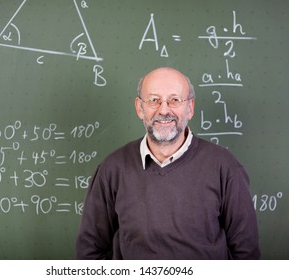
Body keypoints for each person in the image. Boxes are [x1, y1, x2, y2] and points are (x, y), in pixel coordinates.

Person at [76, 67, 260, 259]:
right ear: (140, 108)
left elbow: (246, 254)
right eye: (154, 100)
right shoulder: (112, 169)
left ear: (190, 107)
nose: (164, 110)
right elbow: (90, 251)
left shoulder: (225, 166)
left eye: (175, 100)